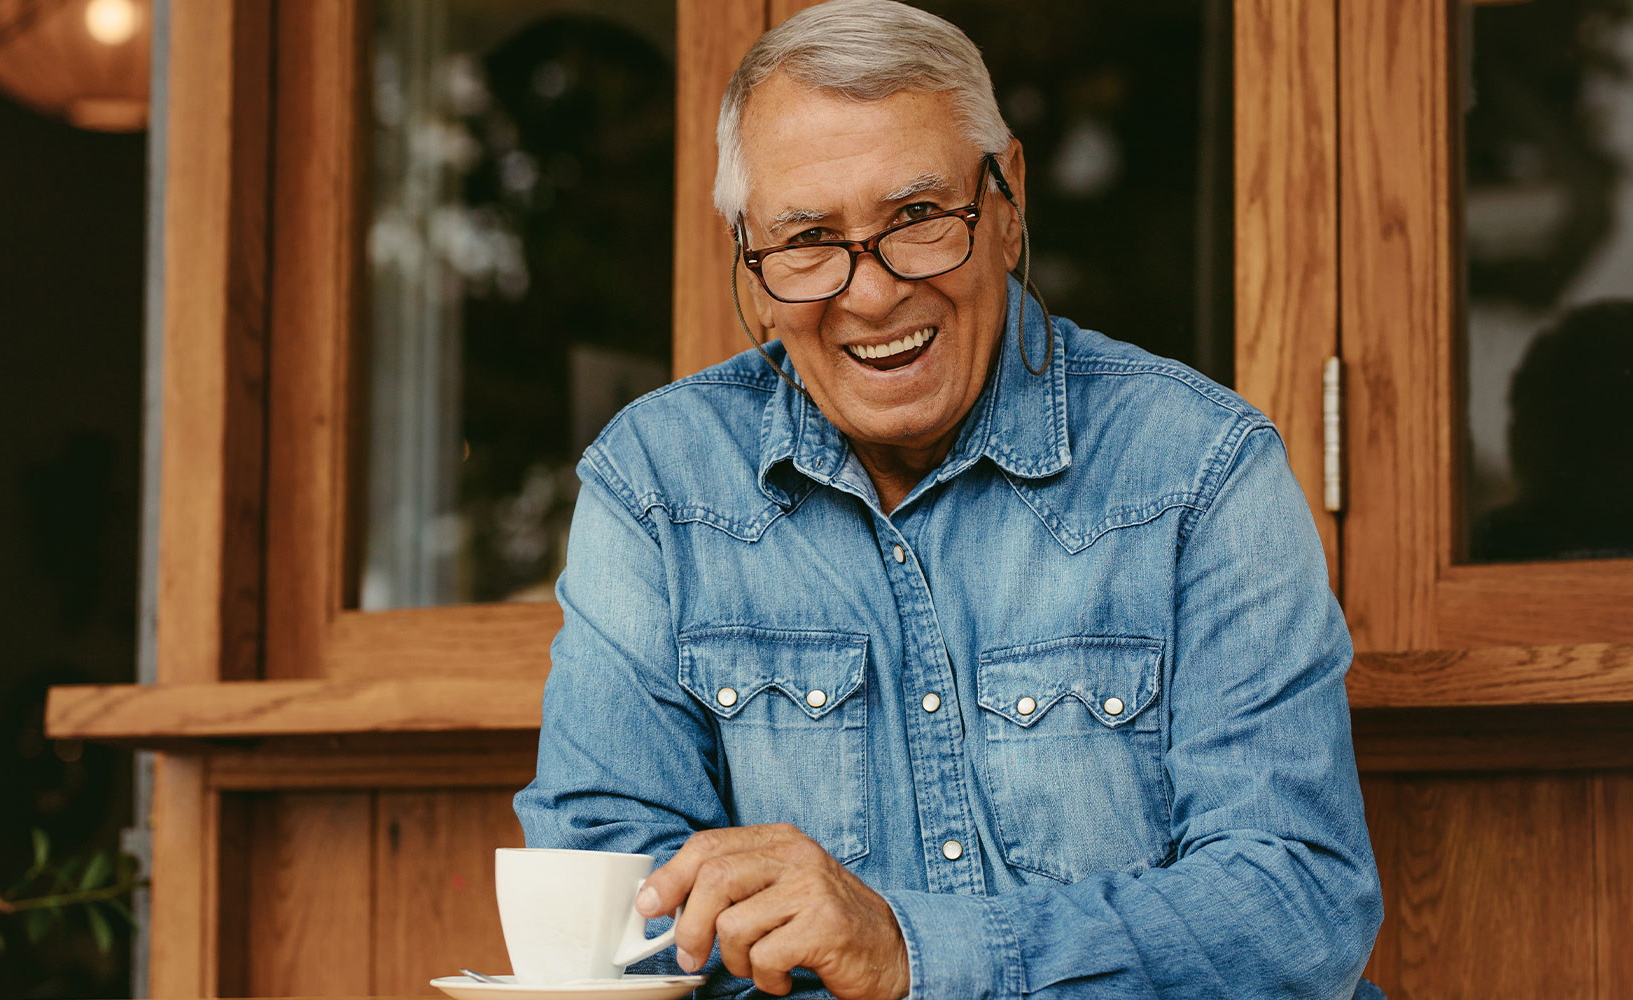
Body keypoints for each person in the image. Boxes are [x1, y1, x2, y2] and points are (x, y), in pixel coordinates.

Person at [514, 2, 1384, 997]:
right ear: (750, 265)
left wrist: (907, 951)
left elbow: (1295, 908)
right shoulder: (656, 485)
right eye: (806, 238)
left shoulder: (1196, 468)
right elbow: (606, 918)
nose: (872, 292)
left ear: (1005, 205)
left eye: (917, 218)